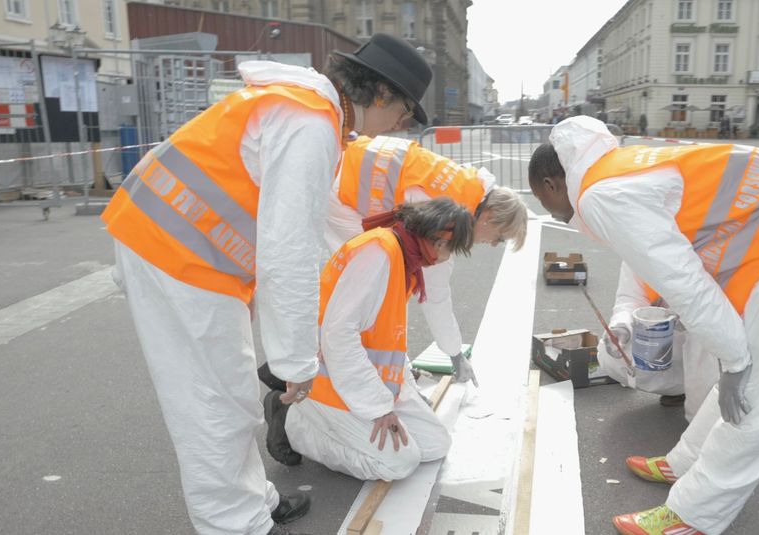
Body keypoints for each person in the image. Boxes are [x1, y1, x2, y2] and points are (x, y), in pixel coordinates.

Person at [102, 33, 431, 535]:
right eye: (405, 112)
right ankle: (237, 525)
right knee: (212, 402)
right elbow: (289, 249)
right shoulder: (309, 123)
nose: (402, 125)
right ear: (381, 94)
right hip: (175, 256)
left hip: (180, 250)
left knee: (227, 394)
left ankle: (251, 501)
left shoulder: (306, 110)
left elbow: (293, 227)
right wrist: (297, 361)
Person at [528, 116, 759, 535]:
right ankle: (684, 462)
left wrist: (736, 360)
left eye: (541, 199)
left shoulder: (601, 195)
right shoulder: (617, 173)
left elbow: (687, 285)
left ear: (551, 183)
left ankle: (693, 516)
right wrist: (730, 356)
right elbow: (649, 269)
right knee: (746, 366)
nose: (547, 211)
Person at [264, 198, 474, 481]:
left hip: (361, 380)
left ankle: (321, 416)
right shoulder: (380, 254)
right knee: (399, 464)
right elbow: (338, 336)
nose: (450, 257)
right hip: (328, 383)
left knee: (435, 444)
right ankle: (292, 421)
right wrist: (378, 408)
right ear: (438, 242)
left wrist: (403, 394)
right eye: (452, 249)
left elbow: (386, 339)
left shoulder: (401, 256)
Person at [322, 134, 528, 388]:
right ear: (489, 218)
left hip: (346, 169)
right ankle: (374, 374)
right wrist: (455, 355)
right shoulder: (450, 217)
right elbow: (435, 294)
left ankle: (388, 369)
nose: (494, 244)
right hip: (343, 194)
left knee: (384, 281)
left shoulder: (464, 190)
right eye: (499, 237)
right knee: (381, 286)